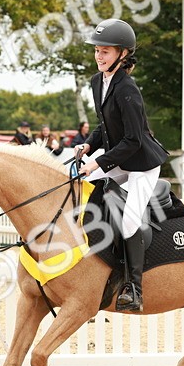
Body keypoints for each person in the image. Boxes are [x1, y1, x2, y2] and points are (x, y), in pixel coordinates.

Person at [75, 18, 169, 312]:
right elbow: (104, 125)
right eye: (97, 51)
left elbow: (133, 140)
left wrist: (97, 163)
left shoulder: (128, 89)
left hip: (141, 164)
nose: (99, 56)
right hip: (120, 159)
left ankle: (134, 288)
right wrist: (88, 145)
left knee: (130, 220)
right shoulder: (97, 82)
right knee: (83, 189)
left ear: (122, 54)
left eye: (105, 51)